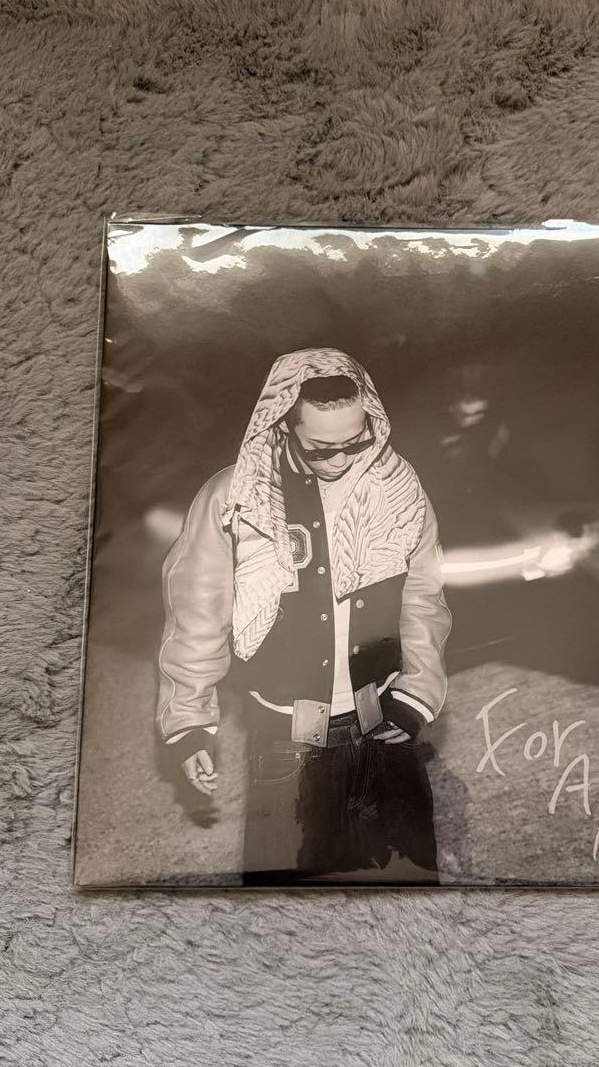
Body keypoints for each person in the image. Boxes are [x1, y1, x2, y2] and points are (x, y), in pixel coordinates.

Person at [154, 348, 452, 883]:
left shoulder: (399, 488)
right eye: (320, 449)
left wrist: (417, 693)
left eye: (354, 443)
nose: (339, 461)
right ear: (282, 424)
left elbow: (423, 596)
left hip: (383, 725)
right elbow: (196, 614)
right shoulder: (235, 499)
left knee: (407, 892)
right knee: (288, 904)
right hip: (285, 743)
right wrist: (190, 722)